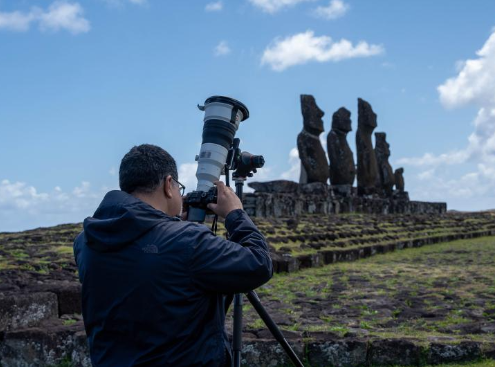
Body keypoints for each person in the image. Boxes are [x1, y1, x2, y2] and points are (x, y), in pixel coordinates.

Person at [73, 144, 273, 367]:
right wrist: (235, 214)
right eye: (179, 187)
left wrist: (172, 224)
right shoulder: (187, 241)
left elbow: (146, 263)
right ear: (169, 185)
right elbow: (259, 263)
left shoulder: (85, 242)